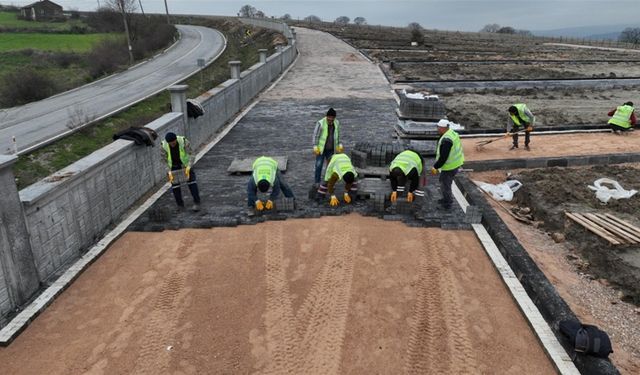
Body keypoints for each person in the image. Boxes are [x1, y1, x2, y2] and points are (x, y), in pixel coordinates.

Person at [161, 132, 201, 212]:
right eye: (170, 143)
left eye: (174, 143)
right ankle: (180, 205)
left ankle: (197, 203)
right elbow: (163, 159)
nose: (172, 144)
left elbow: (191, 154)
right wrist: (168, 171)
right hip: (173, 167)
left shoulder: (183, 141)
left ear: (176, 140)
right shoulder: (164, 145)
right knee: (175, 187)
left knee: (192, 183)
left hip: (185, 166)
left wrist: (189, 167)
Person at [431, 120, 464, 210]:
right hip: (455, 163)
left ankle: (447, 203)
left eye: (438, 127)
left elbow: (443, 157)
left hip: (450, 166)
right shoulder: (452, 133)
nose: (437, 129)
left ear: (443, 128)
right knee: (445, 182)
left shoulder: (447, 140)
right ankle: (446, 199)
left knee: (445, 184)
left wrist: (435, 166)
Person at [312, 107, 344, 185]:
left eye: (332, 118)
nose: (330, 120)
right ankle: (317, 182)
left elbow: (339, 135)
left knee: (330, 167)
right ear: (326, 116)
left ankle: (328, 181)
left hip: (331, 149)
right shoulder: (320, 123)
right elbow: (315, 135)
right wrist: (315, 146)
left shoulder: (337, 123)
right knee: (319, 165)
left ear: (334, 118)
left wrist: (339, 144)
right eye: (329, 118)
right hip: (321, 149)